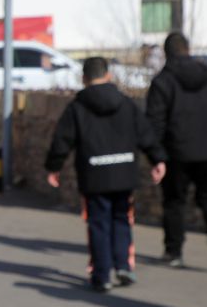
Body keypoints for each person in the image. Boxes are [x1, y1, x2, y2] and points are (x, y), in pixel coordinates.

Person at [45, 57, 167, 292]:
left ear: (84, 79)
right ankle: (123, 266)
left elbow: (62, 140)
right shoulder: (126, 103)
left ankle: (102, 275)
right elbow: (145, 133)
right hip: (124, 170)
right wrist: (157, 159)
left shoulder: (77, 107)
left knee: (98, 223)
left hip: (94, 174)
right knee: (122, 219)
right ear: (108, 75)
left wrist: (54, 166)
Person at [145, 32, 207, 268]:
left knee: (174, 202)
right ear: (188, 49)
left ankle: (173, 251)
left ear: (166, 53)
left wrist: (155, 155)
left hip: (176, 152)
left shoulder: (163, 81)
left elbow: (155, 121)